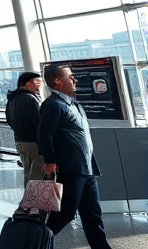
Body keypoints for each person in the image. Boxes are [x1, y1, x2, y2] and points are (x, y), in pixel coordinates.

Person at [39, 66, 112, 249]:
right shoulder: (53, 105)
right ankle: (35, 243)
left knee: (92, 213)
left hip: (86, 168)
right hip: (70, 169)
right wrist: (50, 160)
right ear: (57, 81)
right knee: (65, 213)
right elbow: (44, 134)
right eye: (70, 77)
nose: (75, 80)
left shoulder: (74, 104)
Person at [6, 71, 45, 185]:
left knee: (28, 174)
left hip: (20, 141)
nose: (38, 86)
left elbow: (9, 120)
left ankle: (29, 200)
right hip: (34, 143)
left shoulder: (12, 99)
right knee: (37, 176)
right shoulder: (29, 99)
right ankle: (35, 201)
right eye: (36, 82)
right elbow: (38, 122)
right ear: (26, 83)